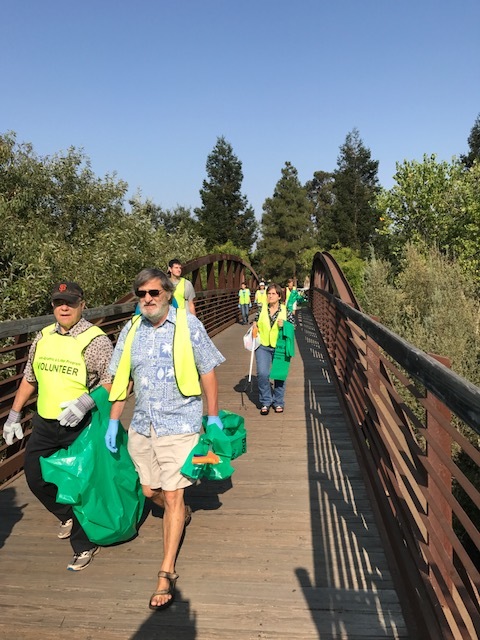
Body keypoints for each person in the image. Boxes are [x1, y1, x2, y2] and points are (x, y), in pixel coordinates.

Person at [105, 267, 225, 611]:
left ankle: (166, 571)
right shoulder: (130, 330)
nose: (147, 299)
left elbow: (208, 370)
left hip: (180, 423)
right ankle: (180, 511)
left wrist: (212, 416)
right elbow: (121, 380)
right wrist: (114, 421)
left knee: (172, 494)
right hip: (143, 424)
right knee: (149, 491)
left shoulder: (188, 326)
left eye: (153, 293)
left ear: (168, 294)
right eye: (141, 294)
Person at [3, 281, 113, 571]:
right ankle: (66, 514)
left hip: (80, 424)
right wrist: (14, 414)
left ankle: (84, 544)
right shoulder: (43, 337)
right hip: (45, 422)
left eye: (71, 302)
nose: (64, 307)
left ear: (82, 304)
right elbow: (30, 378)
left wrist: (86, 403)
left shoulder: (96, 340)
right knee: (34, 476)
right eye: (58, 302)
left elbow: (112, 381)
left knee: (77, 484)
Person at [252, 283, 295, 416]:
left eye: (273, 294)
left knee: (279, 375)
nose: (270, 296)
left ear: (279, 296)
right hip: (263, 346)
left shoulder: (285, 310)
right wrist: (254, 326)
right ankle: (265, 401)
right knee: (263, 373)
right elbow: (255, 322)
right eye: (268, 294)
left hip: (279, 346)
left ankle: (278, 402)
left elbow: (293, 327)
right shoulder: (261, 309)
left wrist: (286, 325)